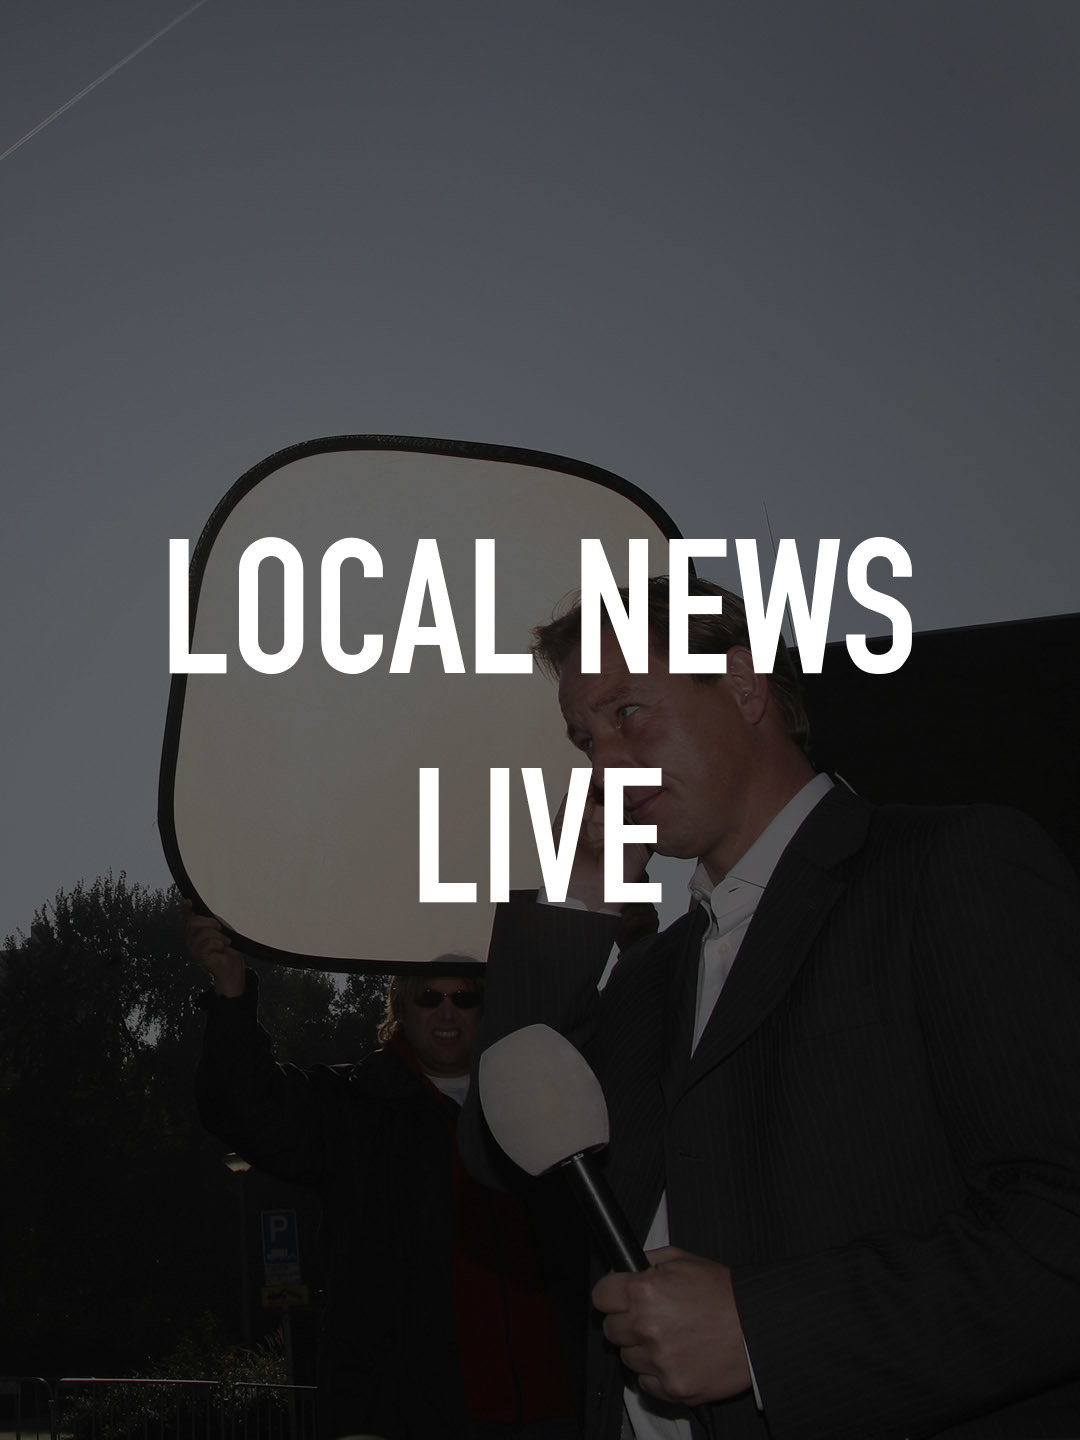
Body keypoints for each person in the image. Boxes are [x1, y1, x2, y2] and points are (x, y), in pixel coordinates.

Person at [459, 576, 1080, 1440]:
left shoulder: (948, 866)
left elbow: (1060, 1224)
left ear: (744, 686)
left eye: (628, 712)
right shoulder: (650, 976)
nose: (604, 764)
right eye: (585, 739)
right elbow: (503, 1153)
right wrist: (577, 898)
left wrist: (764, 1333)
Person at [189, 908, 584, 1440]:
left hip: (554, 1408)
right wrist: (231, 989)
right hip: (407, 1414)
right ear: (401, 1007)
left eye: (465, 998)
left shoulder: (541, 1105)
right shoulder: (356, 1107)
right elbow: (243, 1108)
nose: (447, 1012)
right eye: (429, 997)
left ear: (486, 1008)